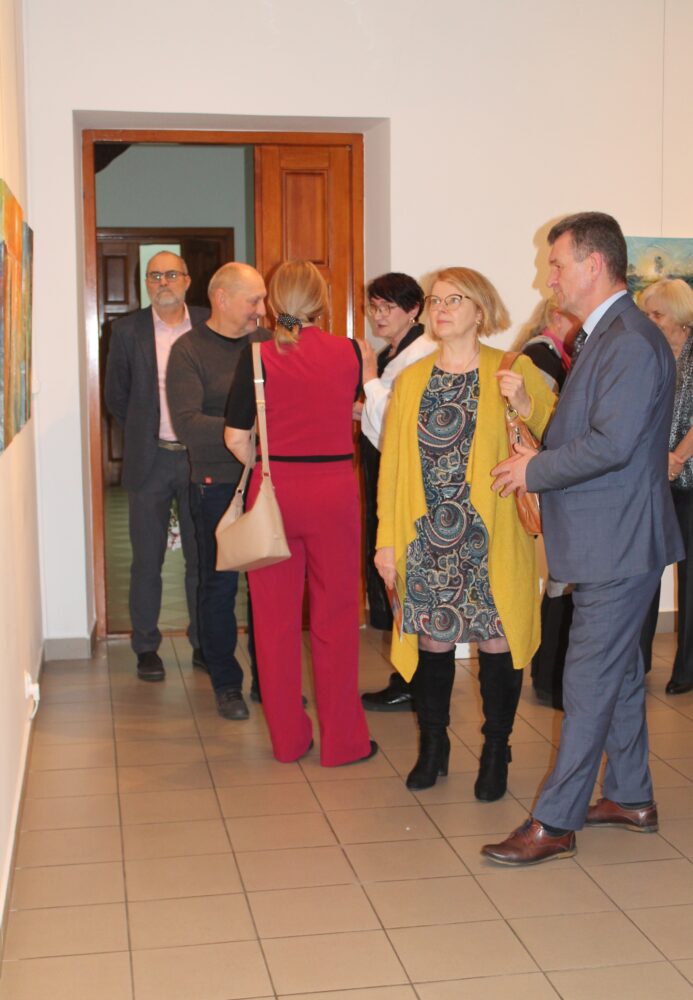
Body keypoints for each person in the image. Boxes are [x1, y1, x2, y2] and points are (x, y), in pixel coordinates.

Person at [484, 212, 683, 866]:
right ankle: (629, 796)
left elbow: (613, 444)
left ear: (593, 265)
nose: (549, 278)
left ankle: (555, 820)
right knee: (618, 674)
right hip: (612, 535)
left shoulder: (628, 340)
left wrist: (534, 470)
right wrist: (536, 437)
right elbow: (596, 434)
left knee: (589, 678)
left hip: (618, 540)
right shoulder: (609, 334)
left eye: (556, 264)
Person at [375, 267, 555, 796]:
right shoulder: (412, 379)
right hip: (427, 534)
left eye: (455, 299)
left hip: (490, 533)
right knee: (433, 639)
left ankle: (497, 749)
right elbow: (392, 468)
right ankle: (433, 745)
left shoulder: (511, 368)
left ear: (480, 310)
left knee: (498, 639)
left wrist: (525, 403)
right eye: (436, 300)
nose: (441, 308)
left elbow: (556, 433)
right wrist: (386, 540)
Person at [224, 260, 376, 766]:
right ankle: (344, 743)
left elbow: (235, 437)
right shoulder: (352, 352)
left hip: (275, 493)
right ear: (322, 301)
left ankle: (289, 740)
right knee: (337, 618)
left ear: (272, 304)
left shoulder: (256, 356)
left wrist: (266, 462)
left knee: (274, 623)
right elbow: (354, 409)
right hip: (334, 492)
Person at [167, 262, 269, 720]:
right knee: (219, 586)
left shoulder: (267, 342)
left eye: (264, 299)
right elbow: (189, 425)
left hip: (265, 482)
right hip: (216, 485)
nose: (261, 309)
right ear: (222, 299)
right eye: (254, 300)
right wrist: (248, 429)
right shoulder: (188, 351)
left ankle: (269, 681)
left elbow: (302, 328)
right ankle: (227, 683)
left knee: (267, 587)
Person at [104, 251, 208, 682]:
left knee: (202, 557)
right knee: (146, 560)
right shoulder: (126, 330)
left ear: (187, 280)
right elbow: (116, 396)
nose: (162, 282)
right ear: (145, 284)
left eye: (170, 274)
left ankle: (203, 642)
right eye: (153, 276)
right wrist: (146, 431)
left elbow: (251, 345)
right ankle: (146, 646)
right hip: (150, 461)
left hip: (199, 459)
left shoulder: (208, 322)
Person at [356, 272, 436, 712]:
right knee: (395, 577)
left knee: (406, 576)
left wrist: (369, 379)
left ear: (413, 310)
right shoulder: (394, 351)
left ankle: (414, 680)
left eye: (388, 307)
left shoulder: (419, 353)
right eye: (374, 307)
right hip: (384, 472)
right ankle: (410, 676)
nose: (378, 315)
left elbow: (393, 420)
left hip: (406, 479)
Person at [514, 297, 581, 708]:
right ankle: (549, 678)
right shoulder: (541, 356)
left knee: (561, 581)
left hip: (553, 474)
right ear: (557, 316)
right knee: (562, 581)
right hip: (550, 475)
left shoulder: (554, 354)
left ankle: (549, 676)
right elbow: (542, 423)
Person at [638, 278, 693, 695]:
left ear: (679, 317)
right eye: (647, 313)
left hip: (687, 478)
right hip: (652, 480)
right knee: (643, 571)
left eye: (657, 314)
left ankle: (687, 669)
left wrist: (677, 457)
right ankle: (636, 662)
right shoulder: (650, 353)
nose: (650, 320)